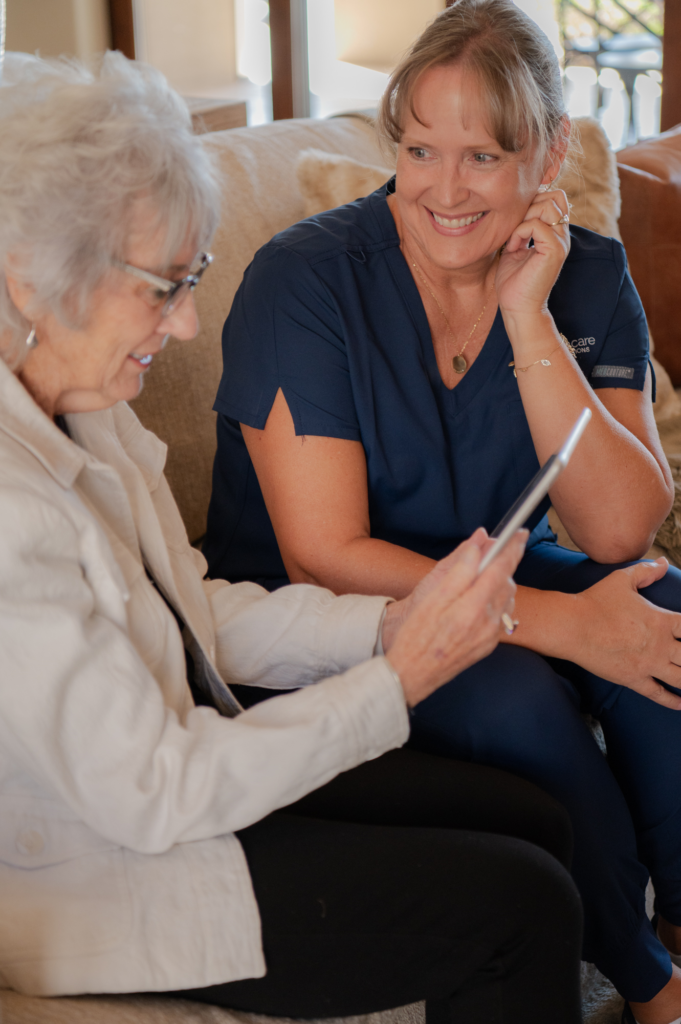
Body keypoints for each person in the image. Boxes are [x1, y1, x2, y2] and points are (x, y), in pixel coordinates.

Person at [0, 50, 583, 1024]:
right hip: (106, 872)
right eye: (162, 285)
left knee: (533, 814)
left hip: (194, 774)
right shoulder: (11, 515)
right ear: (31, 280)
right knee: (525, 904)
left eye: (195, 278)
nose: (187, 323)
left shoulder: (82, 404)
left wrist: (385, 630)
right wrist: (396, 681)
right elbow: (156, 791)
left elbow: (195, 612)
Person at [202, 1, 681, 1021]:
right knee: (512, 693)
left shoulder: (583, 272)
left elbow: (618, 531)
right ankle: (648, 977)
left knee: (664, 610)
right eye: (420, 149)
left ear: (548, 156)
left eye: (483, 155)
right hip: (336, 609)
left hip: (497, 559)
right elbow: (324, 551)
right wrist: (564, 626)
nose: (444, 190)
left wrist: (528, 319)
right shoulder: (306, 284)